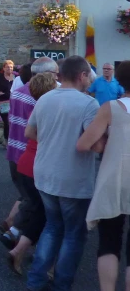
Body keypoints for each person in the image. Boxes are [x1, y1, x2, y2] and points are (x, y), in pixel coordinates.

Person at [24, 56, 100, 291]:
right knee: (74, 234)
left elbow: (29, 132)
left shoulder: (45, 98)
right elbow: (95, 144)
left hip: (45, 173)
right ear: (82, 76)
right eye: (88, 75)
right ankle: (61, 284)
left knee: (52, 227)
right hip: (72, 178)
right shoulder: (88, 104)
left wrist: (52, 140)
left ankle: (35, 280)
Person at [76, 61, 130, 291]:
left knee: (109, 242)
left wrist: (105, 144)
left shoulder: (110, 108)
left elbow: (84, 144)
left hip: (114, 179)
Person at [5, 72, 58, 274]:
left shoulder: (36, 106)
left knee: (38, 210)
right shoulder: (48, 108)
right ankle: (44, 263)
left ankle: (16, 237)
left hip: (25, 162)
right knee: (48, 215)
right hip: (39, 165)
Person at [0, 60, 16, 147]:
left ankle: (11, 140)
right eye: (7, 67)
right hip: (3, 103)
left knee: (12, 121)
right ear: (4, 68)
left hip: (13, 103)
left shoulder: (16, 78)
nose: (9, 69)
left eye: (11, 67)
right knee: (7, 121)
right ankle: (6, 140)